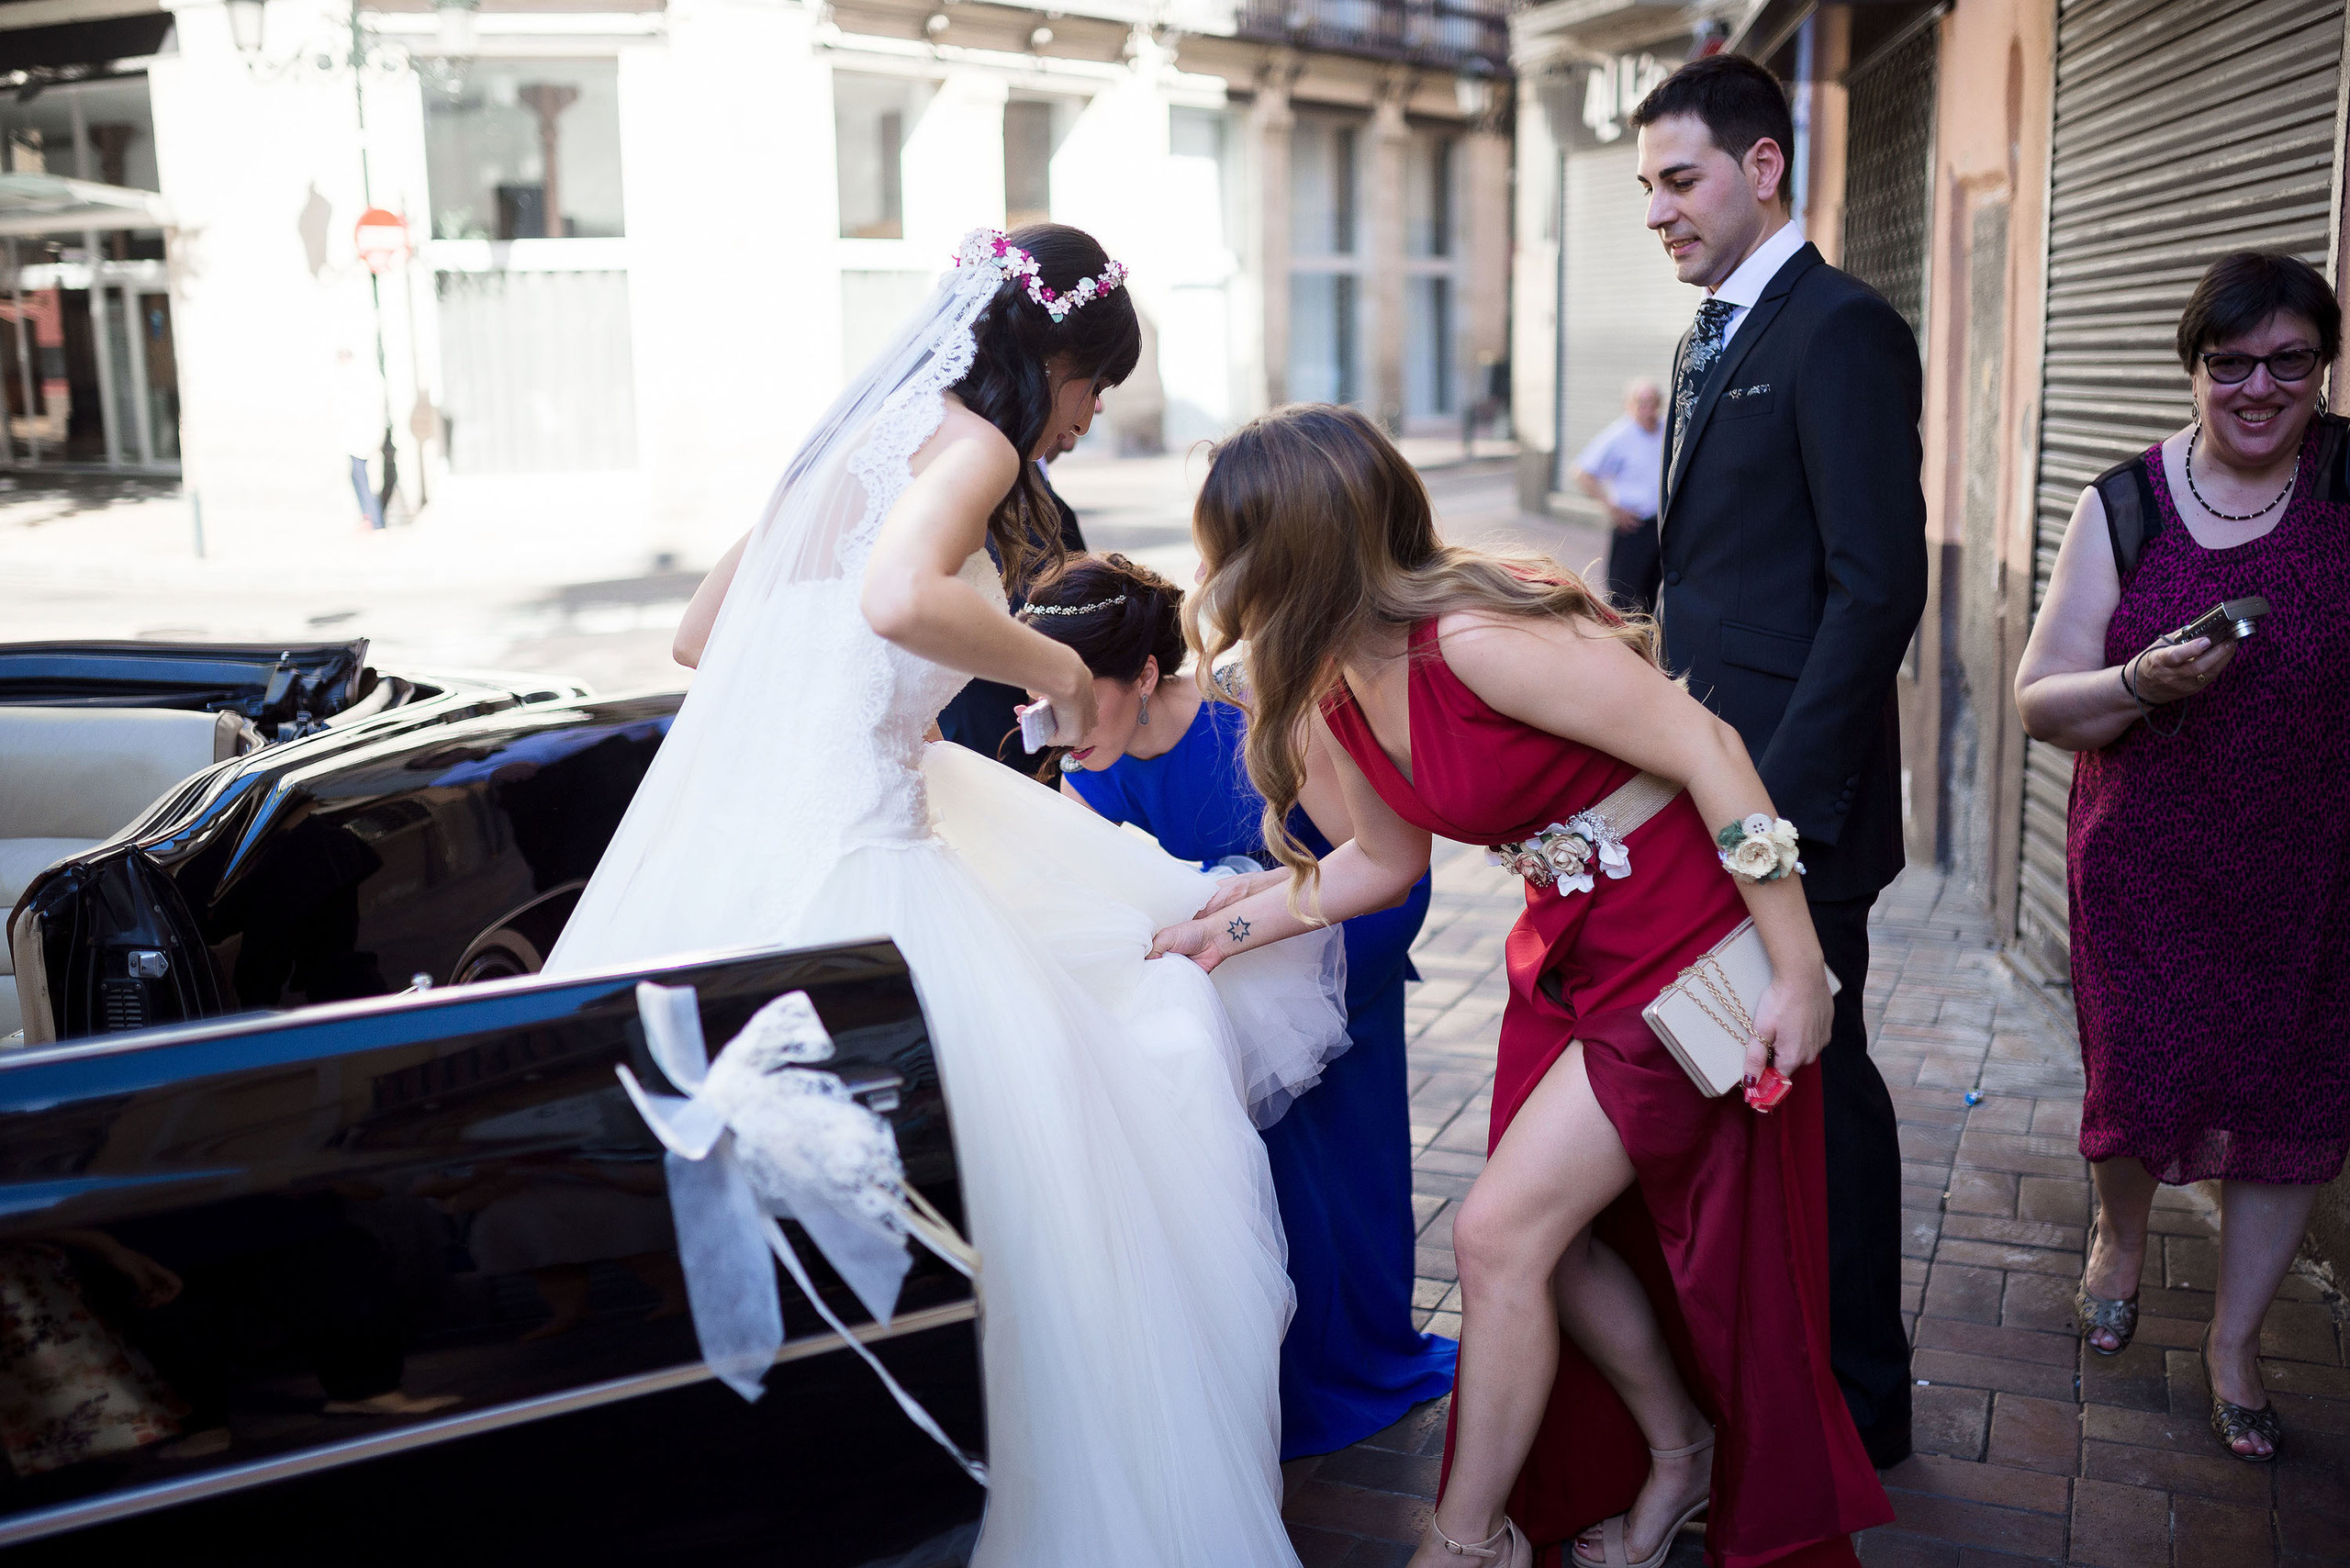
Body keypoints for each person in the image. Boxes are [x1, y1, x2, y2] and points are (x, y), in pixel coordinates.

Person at [542, 224, 1350, 1567]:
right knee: (1044, 1164)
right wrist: (1060, 671)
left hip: (743, 853)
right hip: (864, 865)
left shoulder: (844, 450)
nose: (1086, 428)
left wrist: (864, 713)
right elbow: (901, 596)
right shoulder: (976, 445)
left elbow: (700, 638)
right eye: (1094, 396)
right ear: (1055, 363)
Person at [1151, 405, 1889, 1568]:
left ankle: (1464, 1541)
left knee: (1495, 1233)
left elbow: (1710, 750)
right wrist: (1224, 927)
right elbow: (1382, 861)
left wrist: (1799, 967)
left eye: (1230, 550)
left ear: (1289, 549)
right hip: (1569, 952)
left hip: (1681, 936)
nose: (1217, 580)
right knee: (1558, 1236)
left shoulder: (1475, 636)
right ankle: (1676, 1449)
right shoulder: (1338, 683)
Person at [1629, 53, 1928, 1468]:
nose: (1658, 213)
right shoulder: (1709, 334)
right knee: (1743, 1087)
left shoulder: (1840, 330)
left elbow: (1877, 588)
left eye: (1679, 181)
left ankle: (1865, 1403)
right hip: (1715, 783)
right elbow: (1720, 574)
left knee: (1830, 1093)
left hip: (1796, 810)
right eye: (1645, 189)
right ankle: (1758, 1376)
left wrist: (1774, 820)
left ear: (1763, 167)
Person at [2013, 250, 2350, 1464]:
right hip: (2149, 864)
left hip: (2316, 873)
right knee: (2143, 1080)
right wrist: (2140, 679)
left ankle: (2235, 1345)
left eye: (2290, 362)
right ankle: (2119, 1232)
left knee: (2296, 1102)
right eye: (2231, 364)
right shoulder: (2128, 502)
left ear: (2321, 366)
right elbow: (2043, 699)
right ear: (2194, 366)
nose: (2259, 388)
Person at [1019, 550, 1458, 1460]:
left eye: (1076, 695)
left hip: (1334, 959)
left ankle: (1357, 1360)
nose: (1058, 728)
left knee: (1336, 1188)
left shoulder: (1255, 725)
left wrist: (1289, 967)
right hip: (1209, 986)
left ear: (1144, 673)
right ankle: (1263, 1375)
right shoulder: (1086, 767)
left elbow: (1386, 870)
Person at [934, 443, 1089, 765]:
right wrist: (1068, 672)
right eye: (1093, 391)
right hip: (996, 744)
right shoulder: (995, 478)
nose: (1097, 409)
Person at [1569, 380, 1665, 614]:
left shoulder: (1666, 430)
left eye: (1652, 404)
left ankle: (1653, 648)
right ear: (1629, 405)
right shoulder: (1620, 435)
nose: (1647, 410)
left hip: (1662, 527)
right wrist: (1612, 509)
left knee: (1658, 599)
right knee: (1623, 599)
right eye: (1641, 404)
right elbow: (1582, 473)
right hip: (1634, 528)